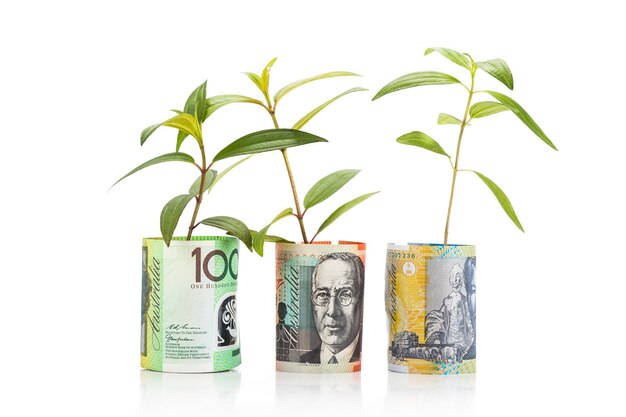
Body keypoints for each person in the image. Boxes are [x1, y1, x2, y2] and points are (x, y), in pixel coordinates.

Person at [300, 252, 364, 365]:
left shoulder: (372, 363)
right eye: (323, 295)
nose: (332, 311)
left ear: (361, 300)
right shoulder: (302, 361)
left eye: (345, 295)